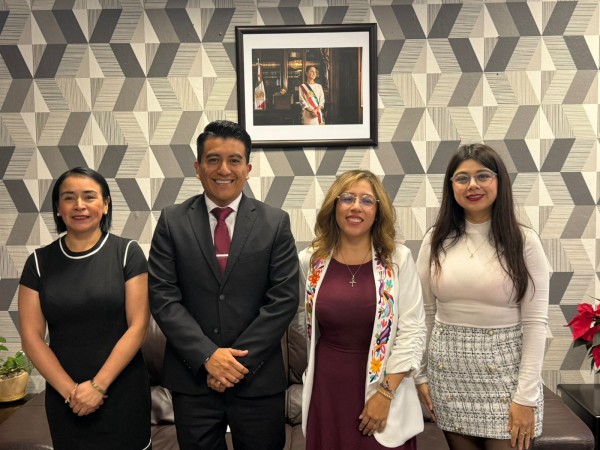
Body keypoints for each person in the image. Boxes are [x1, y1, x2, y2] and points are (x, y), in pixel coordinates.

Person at [148, 120, 299, 450]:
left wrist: (234, 365)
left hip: (258, 379)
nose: (224, 169)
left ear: (248, 168)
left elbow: (284, 299)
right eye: (213, 159)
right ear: (198, 167)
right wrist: (207, 356)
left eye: (234, 160)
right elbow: (163, 297)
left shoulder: (275, 222)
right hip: (193, 380)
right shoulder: (172, 221)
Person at [414, 144, 549, 450]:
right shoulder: (435, 239)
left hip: (507, 376)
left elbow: (536, 323)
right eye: (462, 178)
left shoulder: (524, 241)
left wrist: (526, 397)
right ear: (452, 187)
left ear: (499, 181)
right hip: (448, 375)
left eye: (483, 176)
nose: (472, 185)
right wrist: (420, 376)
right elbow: (424, 314)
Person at [18, 167, 151, 450]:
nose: (79, 205)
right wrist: (73, 393)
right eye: (69, 198)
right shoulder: (38, 263)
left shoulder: (127, 253)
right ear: (58, 208)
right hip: (66, 397)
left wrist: (98, 386)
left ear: (105, 204)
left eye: (89, 197)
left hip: (123, 390)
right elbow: (31, 338)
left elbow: (138, 325)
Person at [299, 169, 426, 449]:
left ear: (378, 211)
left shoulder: (397, 259)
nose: (356, 206)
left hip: (384, 386)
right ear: (334, 206)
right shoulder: (311, 260)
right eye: (347, 198)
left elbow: (413, 329)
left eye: (367, 200)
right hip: (327, 385)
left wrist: (385, 394)